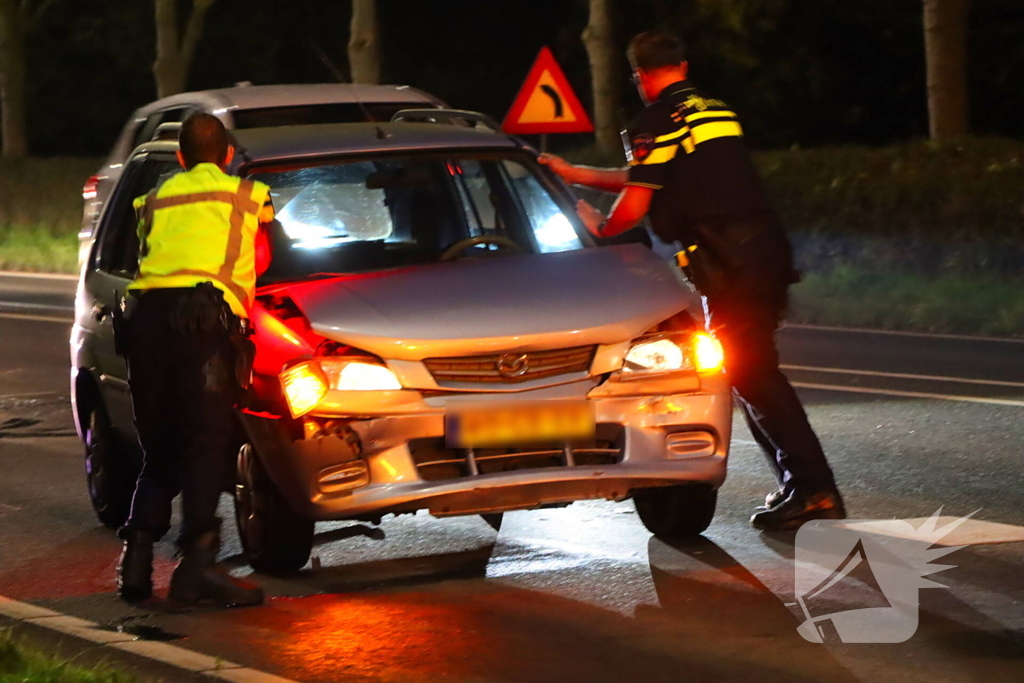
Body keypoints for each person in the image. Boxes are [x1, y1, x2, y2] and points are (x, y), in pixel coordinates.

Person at [539, 31, 845, 531]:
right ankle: (802, 487)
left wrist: (601, 226)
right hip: (764, 251)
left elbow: (636, 201)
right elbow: (657, 173)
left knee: (755, 376)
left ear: (640, 76)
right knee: (750, 374)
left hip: (728, 264)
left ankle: (814, 490)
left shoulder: (655, 121)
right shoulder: (714, 110)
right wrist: (577, 173)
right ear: (682, 64)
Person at [115, 112, 275, 605]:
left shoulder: (155, 198)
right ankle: (197, 569)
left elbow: (148, 257)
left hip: (146, 325)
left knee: (160, 446)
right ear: (228, 156)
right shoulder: (247, 195)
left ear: (180, 157)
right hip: (202, 325)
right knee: (205, 444)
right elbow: (266, 257)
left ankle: (136, 561)